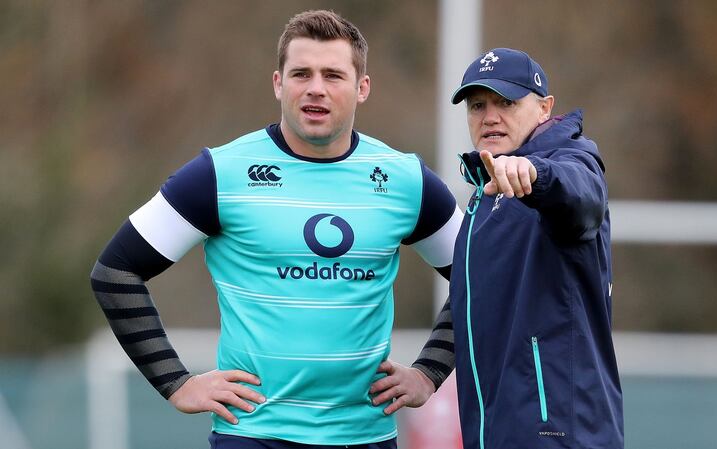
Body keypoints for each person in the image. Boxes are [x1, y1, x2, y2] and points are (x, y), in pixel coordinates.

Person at [89, 10, 463, 449]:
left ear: (362, 88)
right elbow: (116, 272)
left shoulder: (404, 180)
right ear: (278, 83)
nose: (316, 88)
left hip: (366, 436)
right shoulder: (220, 174)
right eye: (301, 73)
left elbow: (481, 276)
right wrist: (176, 382)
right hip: (255, 435)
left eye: (333, 75)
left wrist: (429, 372)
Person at [371, 48, 623, 448]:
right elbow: (472, 294)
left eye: (506, 102)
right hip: (496, 434)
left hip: (558, 436)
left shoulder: (570, 160)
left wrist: (537, 175)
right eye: (477, 106)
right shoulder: (486, 195)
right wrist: (426, 373)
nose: (490, 116)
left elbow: (581, 197)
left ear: (545, 108)